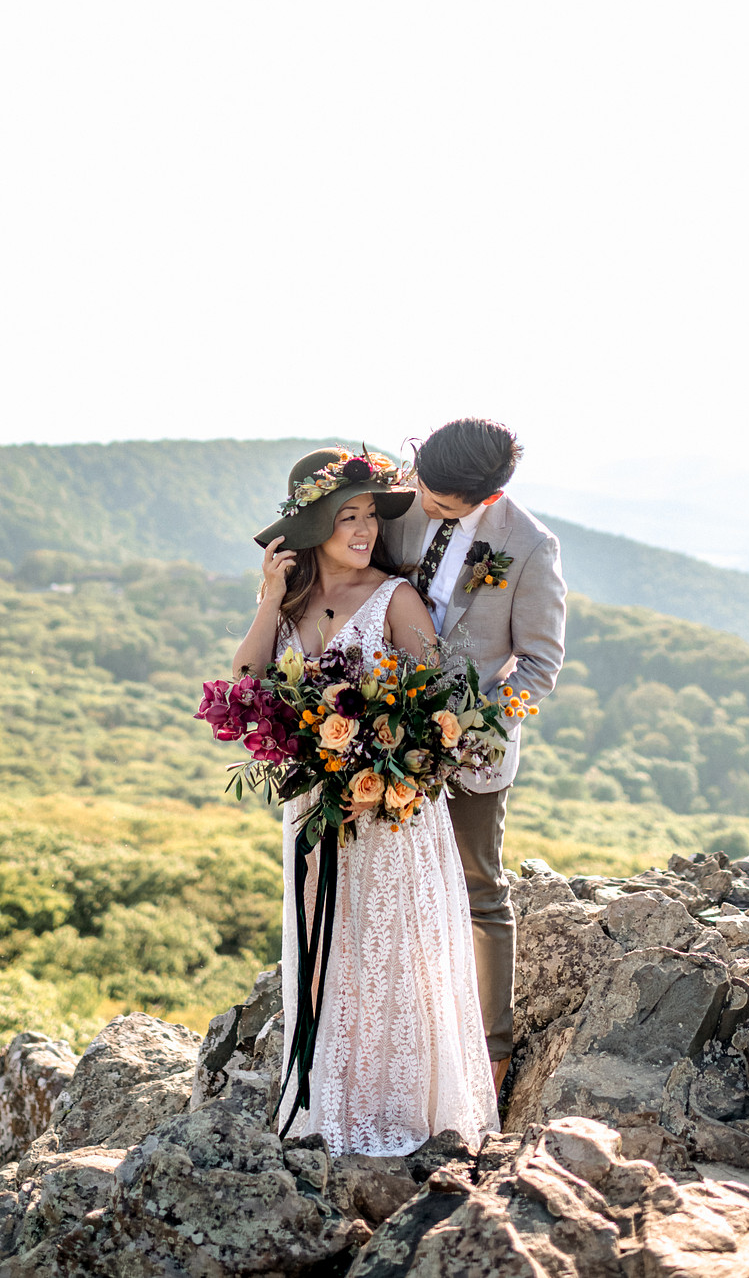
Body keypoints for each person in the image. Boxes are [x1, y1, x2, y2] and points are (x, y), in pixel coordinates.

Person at [234, 447, 498, 1157]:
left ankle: (406, 1111)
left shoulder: (396, 597)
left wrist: (378, 770)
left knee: (394, 956)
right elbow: (245, 684)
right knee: (327, 959)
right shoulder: (288, 604)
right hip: (312, 810)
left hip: (389, 814)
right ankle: (329, 1107)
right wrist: (267, 599)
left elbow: (438, 711)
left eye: (369, 517)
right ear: (313, 526)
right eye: (345, 517)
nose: (363, 530)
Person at [383, 418, 567, 1098]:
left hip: (472, 753)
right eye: (422, 485)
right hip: (378, 733)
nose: (423, 503)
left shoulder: (528, 546)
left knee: (478, 889)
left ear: (485, 499)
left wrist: (480, 725)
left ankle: (492, 1044)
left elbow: (540, 666)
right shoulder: (399, 500)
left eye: (441, 502)